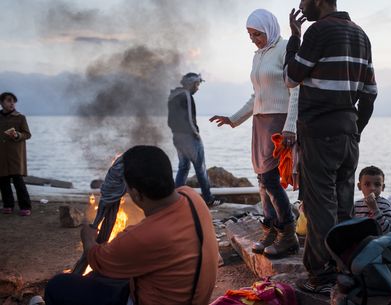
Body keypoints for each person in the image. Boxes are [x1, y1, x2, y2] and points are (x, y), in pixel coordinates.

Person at [44, 145, 219, 305]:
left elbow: (96, 259)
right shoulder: (191, 197)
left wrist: (88, 239)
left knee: (58, 285)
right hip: (194, 297)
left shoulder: (143, 236)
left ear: (135, 193)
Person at [283, 0, 378, 295]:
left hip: (319, 133)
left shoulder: (317, 32)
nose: (301, 5)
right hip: (348, 132)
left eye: (304, 0)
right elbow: (370, 94)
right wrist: (356, 129)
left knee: (319, 205)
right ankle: (345, 269)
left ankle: (320, 276)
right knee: (343, 204)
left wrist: (295, 38)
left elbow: (290, 77)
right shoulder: (361, 35)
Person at [209, 9, 300, 259]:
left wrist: (290, 125)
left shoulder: (284, 49)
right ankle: (270, 230)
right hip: (260, 122)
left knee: (270, 178)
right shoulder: (258, 56)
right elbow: (256, 96)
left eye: (257, 34)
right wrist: (233, 119)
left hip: (279, 121)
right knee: (262, 180)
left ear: (269, 29)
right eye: (250, 34)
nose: (253, 38)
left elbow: (296, 90)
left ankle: (288, 234)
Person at [168, 72, 222, 207]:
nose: (198, 88)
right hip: (189, 137)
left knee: (183, 167)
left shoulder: (173, 95)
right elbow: (190, 118)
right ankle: (208, 199)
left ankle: (175, 199)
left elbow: (170, 120)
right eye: (197, 84)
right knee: (200, 168)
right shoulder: (186, 95)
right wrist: (196, 134)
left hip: (177, 136)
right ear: (191, 83)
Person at [0, 92, 32, 216]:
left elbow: (27, 134)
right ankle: (8, 205)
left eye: (13, 101)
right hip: (1, 155)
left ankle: (25, 207)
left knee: (18, 181)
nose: (12, 103)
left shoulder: (20, 117)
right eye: (8, 101)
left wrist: (17, 135)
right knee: (3, 181)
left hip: (15, 155)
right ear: (2, 103)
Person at [354, 166, 391, 233]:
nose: (372, 188)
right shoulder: (357, 205)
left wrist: (375, 209)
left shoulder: (385, 205)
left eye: (377, 184)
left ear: (383, 187)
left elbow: (389, 231)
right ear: (359, 186)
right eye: (367, 184)